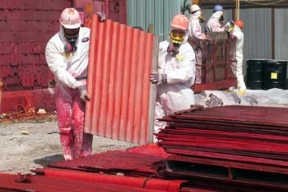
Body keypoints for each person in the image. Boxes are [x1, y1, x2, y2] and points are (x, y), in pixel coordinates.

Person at [45, 8, 104, 160]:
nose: (72, 34)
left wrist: (102, 22)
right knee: (65, 125)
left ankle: (84, 157)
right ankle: (69, 158)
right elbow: (59, 71)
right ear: (61, 26)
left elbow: (104, 38)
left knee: (81, 122)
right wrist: (77, 86)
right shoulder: (54, 44)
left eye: (75, 30)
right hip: (65, 86)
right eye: (69, 31)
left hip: (84, 82)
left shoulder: (87, 34)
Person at [150, 14, 196, 142]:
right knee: (158, 125)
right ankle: (156, 152)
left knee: (181, 128)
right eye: (174, 32)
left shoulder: (187, 50)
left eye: (180, 34)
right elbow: (152, 61)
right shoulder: (162, 46)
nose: (176, 36)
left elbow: (187, 73)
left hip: (179, 95)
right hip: (161, 93)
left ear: (185, 34)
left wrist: (165, 77)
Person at [226, 19, 247, 94]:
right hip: (233, 56)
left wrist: (229, 31)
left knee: (238, 72)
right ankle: (231, 86)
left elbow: (234, 38)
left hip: (237, 56)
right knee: (231, 72)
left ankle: (242, 88)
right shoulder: (236, 32)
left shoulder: (239, 34)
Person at [188, 4, 207, 84]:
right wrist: (204, 37)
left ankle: (194, 81)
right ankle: (197, 81)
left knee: (193, 64)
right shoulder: (194, 22)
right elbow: (195, 34)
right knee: (198, 64)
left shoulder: (191, 21)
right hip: (195, 46)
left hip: (192, 45)